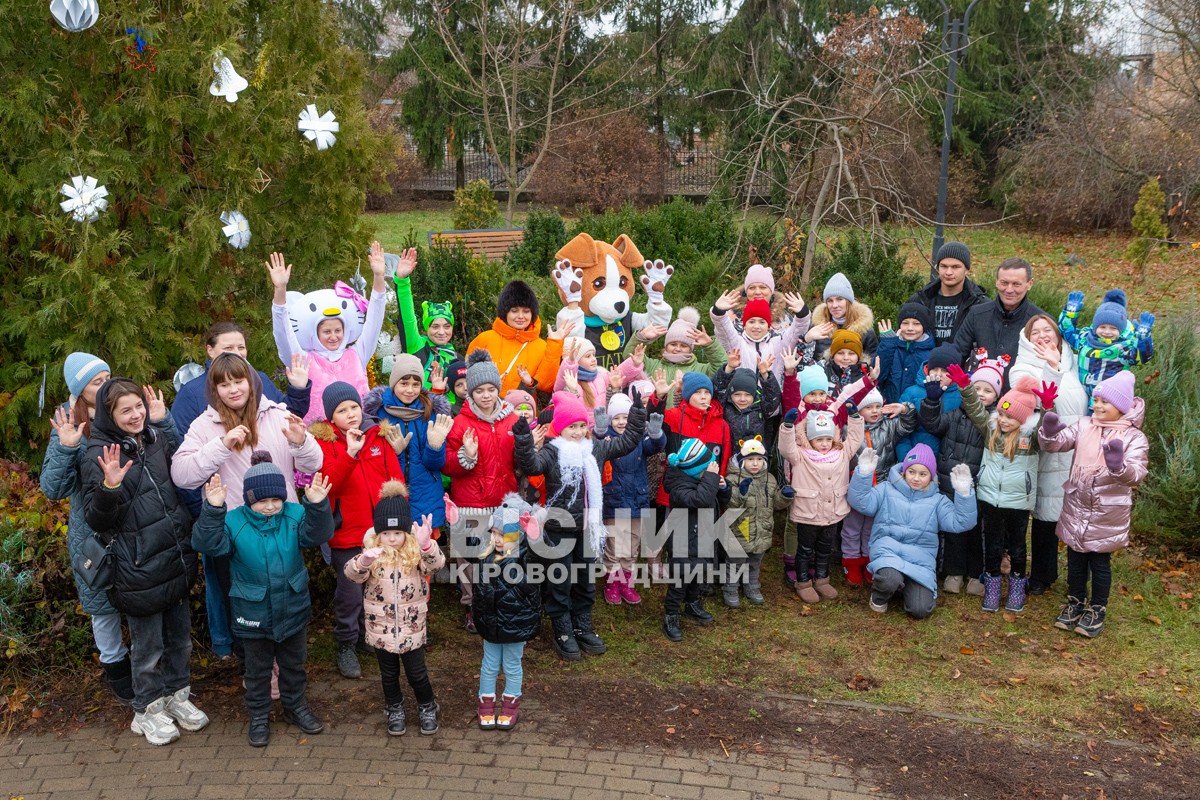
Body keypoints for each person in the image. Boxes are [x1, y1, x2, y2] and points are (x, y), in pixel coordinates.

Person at [170, 354, 323, 664]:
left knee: (286, 595)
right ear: (214, 390)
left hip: (283, 527)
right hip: (238, 535)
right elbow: (181, 475)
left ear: (251, 383)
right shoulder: (205, 425)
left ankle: (286, 666)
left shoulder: (278, 415)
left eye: (238, 381)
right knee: (245, 603)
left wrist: (301, 441)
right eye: (223, 384)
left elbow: (313, 463)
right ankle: (256, 670)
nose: (233, 390)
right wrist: (220, 446)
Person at [81, 379, 205, 746]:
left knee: (179, 640)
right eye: (126, 410)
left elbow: (185, 471)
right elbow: (96, 520)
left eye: (139, 406)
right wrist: (109, 487)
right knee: (148, 648)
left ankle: (177, 697)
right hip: (136, 568)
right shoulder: (97, 455)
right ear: (109, 415)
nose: (135, 415)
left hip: (173, 556)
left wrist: (163, 421)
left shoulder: (154, 439)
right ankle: (147, 710)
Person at [192, 459, 334, 747]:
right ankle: (259, 716)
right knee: (257, 672)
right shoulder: (233, 522)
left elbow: (319, 535)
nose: (270, 506)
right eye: (262, 501)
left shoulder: (294, 515)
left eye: (275, 499)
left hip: (292, 609)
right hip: (252, 613)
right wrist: (213, 509)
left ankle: (295, 708)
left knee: (294, 666)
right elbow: (206, 544)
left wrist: (317, 506)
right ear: (248, 499)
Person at [512, 391, 646, 661]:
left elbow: (628, 442)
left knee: (584, 580)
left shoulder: (595, 447)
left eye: (582, 425)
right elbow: (531, 465)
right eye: (571, 426)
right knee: (559, 581)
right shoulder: (551, 451)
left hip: (587, 528)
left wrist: (638, 415)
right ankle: (562, 630)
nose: (578, 431)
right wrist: (524, 439)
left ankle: (582, 626)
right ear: (560, 427)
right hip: (558, 530)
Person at [41, 353, 132, 705]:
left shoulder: (123, 413)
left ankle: (145, 666)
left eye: (107, 376)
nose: (106, 385)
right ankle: (116, 667)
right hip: (92, 536)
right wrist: (67, 447)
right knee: (103, 610)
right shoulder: (69, 426)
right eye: (97, 381)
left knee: (139, 599)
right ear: (81, 391)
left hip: (131, 527)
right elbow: (52, 488)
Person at [1039, 371, 1149, 638]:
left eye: (1104, 402)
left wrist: (1118, 467)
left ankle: (1097, 608)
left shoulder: (1135, 438)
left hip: (1107, 510)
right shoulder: (1084, 424)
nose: (1097, 406)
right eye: (1096, 399)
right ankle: (1075, 601)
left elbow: (1136, 474)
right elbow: (1057, 444)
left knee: (1099, 563)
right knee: (1075, 558)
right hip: (1076, 504)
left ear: (1121, 407)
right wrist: (1049, 432)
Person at [312, 382, 406, 679]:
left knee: (380, 586)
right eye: (342, 410)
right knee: (350, 592)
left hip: (379, 531)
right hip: (347, 533)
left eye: (353, 407)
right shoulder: (326, 445)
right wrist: (350, 454)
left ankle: (372, 635)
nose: (350, 414)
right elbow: (330, 485)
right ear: (331, 417)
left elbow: (395, 480)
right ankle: (345, 643)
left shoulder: (377, 437)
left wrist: (401, 520)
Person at [344, 482, 445, 734]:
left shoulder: (414, 555)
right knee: (388, 676)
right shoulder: (372, 555)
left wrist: (426, 546)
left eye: (397, 533)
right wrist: (363, 561)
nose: (392, 538)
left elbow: (436, 565)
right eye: (386, 533)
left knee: (417, 674)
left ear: (406, 534)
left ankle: (427, 705)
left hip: (412, 628)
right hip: (381, 629)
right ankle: (394, 707)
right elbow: (351, 575)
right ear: (378, 534)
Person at [442, 351, 522, 632]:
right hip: (470, 505)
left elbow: (521, 462)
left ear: (498, 390)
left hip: (506, 502)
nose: (486, 396)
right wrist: (466, 454)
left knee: (506, 555)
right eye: (479, 391)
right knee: (470, 560)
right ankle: (472, 607)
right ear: (469, 393)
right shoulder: (460, 423)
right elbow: (447, 465)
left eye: (490, 389)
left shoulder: (512, 421)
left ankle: (503, 603)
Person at [1009, 315, 1088, 595]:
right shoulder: (1021, 368)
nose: (1042, 336)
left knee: (1079, 515)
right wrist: (1052, 367)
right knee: (1046, 515)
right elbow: (1043, 399)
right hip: (1048, 450)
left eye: (1047, 330)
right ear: (1026, 339)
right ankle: (1043, 575)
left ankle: (1081, 578)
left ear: (1058, 335)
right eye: (1035, 332)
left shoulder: (1077, 361)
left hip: (1080, 450)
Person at [850, 445, 977, 618]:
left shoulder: (938, 501)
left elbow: (962, 523)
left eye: (923, 474)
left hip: (920, 561)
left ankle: (905, 586)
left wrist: (964, 494)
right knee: (889, 579)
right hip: (888, 552)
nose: (916, 478)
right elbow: (861, 502)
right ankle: (880, 595)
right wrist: (863, 474)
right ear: (904, 471)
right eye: (911, 472)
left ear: (931, 476)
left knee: (920, 610)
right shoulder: (886, 489)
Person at [267, 243, 389, 422]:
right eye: (326, 331)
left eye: (338, 330)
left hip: (360, 432)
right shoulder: (303, 360)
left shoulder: (357, 354)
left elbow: (374, 320)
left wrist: (379, 277)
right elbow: (283, 334)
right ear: (315, 333)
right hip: (320, 440)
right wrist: (280, 291)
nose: (334, 336)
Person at [966, 374, 1052, 613]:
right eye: (1001, 414)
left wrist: (1046, 407)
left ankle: (1016, 587)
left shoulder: (1031, 439)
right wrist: (965, 386)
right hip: (990, 498)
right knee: (992, 545)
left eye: (1010, 416)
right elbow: (974, 408)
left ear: (1023, 419)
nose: (1003, 420)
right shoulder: (991, 429)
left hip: (1018, 502)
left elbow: (1047, 427)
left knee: (1017, 547)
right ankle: (992, 585)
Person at [919, 359, 1005, 596]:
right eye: (976, 388)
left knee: (977, 531)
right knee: (954, 530)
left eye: (988, 390)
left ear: (996, 396)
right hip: (950, 483)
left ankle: (976, 574)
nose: (981, 394)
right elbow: (932, 424)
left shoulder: (995, 421)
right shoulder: (955, 414)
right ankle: (953, 572)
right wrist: (932, 401)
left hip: (978, 484)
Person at [172, 321, 312, 447]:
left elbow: (289, 419)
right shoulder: (191, 392)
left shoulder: (260, 380)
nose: (237, 353)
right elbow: (182, 442)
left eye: (241, 347)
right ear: (210, 350)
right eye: (228, 348)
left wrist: (298, 389)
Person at [778, 408, 865, 604]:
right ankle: (803, 582)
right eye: (819, 440)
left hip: (833, 512)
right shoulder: (800, 455)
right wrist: (787, 427)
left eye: (827, 439)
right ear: (809, 439)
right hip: (808, 512)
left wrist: (855, 418)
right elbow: (785, 448)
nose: (824, 444)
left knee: (825, 548)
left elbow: (854, 439)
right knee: (805, 549)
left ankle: (822, 579)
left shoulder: (842, 452)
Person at [472, 493, 543, 730]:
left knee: (512, 665)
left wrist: (534, 538)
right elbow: (469, 542)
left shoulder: (526, 558)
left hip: (516, 624)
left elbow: (538, 558)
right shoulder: (486, 553)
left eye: (504, 535)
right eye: (494, 533)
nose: (498, 539)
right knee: (489, 664)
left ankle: (511, 706)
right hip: (491, 623)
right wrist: (457, 523)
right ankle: (486, 705)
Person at [375, 354, 456, 544]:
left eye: (415, 384)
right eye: (404, 383)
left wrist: (435, 447)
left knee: (425, 558)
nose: (410, 390)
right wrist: (394, 453)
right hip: (391, 500)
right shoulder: (378, 414)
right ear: (393, 383)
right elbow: (375, 464)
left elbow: (435, 465)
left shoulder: (430, 412)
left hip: (426, 495)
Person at [840, 388, 917, 586]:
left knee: (873, 527)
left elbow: (909, 424)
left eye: (877, 406)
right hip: (856, 486)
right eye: (868, 407)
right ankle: (850, 560)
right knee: (853, 526)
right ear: (859, 410)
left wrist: (904, 408)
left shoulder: (888, 426)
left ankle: (868, 559)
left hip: (882, 486)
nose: (874, 411)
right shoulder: (849, 429)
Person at [599, 390, 666, 606]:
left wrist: (656, 434)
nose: (621, 422)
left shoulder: (639, 438)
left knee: (632, 544)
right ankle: (612, 583)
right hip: (614, 500)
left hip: (637, 500)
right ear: (610, 420)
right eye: (616, 418)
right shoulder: (608, 438)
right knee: (614, 545)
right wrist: (599, 432)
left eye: (625, 418)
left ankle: (627, 583)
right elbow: (597, 449)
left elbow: (655, 446)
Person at [660, 439, 726, 642]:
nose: (711, 470)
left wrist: (722, 487)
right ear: (696, 469)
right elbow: (699, 500)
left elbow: (717, 501)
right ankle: (670, 615)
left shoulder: (701, 481)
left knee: (698, 574)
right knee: (680, 581)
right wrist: (711, 480)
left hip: (702, 537)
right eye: (708, 467)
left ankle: (692, 604)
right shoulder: (679, 488)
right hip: (684, 543)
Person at [952, 257, 1045, 387]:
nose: (1009, 290)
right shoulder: (976, 314)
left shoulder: (1041, 322)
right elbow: (957, 352)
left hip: (1020, 399)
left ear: (1029, 284)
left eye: (1016, 284)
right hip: (979, 397)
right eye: (1004, 283)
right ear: (996, 282)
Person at [467, 279, 571, 395]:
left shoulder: (541, 346)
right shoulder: (485, 339)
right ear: (505, 312)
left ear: (532, 314)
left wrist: (555, 344)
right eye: (514, 311)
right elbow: (467, 377)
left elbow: (546, 385)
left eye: (526, 311)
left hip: (522, 410)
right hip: (486, 408)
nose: (521, 316)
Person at [1058, 289, 1155, 406]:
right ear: (1095, 326)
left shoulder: (1123, 347)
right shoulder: (1085, 339)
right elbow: (1068, 333)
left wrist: (1143, 339)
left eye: (1113, 328)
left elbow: (1140, 357)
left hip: (1110, 403)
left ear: (1121, 330)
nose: (1107, 332)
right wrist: (1069, 314)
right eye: (1102, 327)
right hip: (1085, 397)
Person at [724, 439, 790, 607]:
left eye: (759, 460)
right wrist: (741, 494)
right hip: (741, 528)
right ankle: (731, 589)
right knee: (736, 561)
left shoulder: (770, 479)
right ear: (741, 461)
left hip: (762, 528)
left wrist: (784, 496)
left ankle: (751, 586)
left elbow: (775, 503)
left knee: (755, 561)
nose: (755, 464)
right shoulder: (733, 479)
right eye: (750, 459)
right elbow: (730, 503)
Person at [391, 248, 461, 393]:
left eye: (447, 326)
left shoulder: (458, 358)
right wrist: (402, 281)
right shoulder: (418, 346)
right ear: (426, 328)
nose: (442, 332)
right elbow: (407, 317)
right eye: (435, 326)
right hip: (420, 412)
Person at [626, 307, 727, 405]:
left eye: (683, 345)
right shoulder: (652, 365)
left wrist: (710, 345)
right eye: (673, 344)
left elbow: (722, 366)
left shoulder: (701, 370)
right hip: (656, 419)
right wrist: (641, 337)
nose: (677, 349)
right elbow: (630, 358)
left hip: (686, 420)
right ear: (666, 346)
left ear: (691, 348)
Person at [711, 288, 811, 385]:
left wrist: (802, 314)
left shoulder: (778, 344)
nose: (756, 326)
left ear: (768, 326)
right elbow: (723, 328)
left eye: (762, 322)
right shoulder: (736, 343)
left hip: (770, 398)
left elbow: (796, 331)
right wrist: (718, 311)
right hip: (741, 398)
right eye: (751, 321)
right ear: (744, 325)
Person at [906, 242, 989, 346]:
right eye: (944, 266)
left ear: (967, 269)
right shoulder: (920, 300)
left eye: (955, 267)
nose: (948, 272)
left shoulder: (980, 304)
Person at [711, 350, 782, 468]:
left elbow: (773, 397)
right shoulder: (725, 406)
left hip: (757, 461)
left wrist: (765, 375)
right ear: (730, 394)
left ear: (754, 395)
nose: (742, 399)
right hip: (730, 462)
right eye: (737, 394)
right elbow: (718, 388)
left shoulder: (761, 407)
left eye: (748, 395)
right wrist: (728, 368)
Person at [804, 272, 878, 359]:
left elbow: (873, 360)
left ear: (848, 301)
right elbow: (803, 361)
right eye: (830, 301)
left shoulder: (866, 330)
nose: (834, 305)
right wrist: (806, 340)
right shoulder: (816, 327)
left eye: (839, 299)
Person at [874, 303, 936, 404]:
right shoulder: (890, 347)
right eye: (905, 323)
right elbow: (876, 377)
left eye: (916, 324)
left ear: (924, 327)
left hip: (915, 413)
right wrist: (888, 344)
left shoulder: (931, 354)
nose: (910, 328)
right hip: (888, 409)